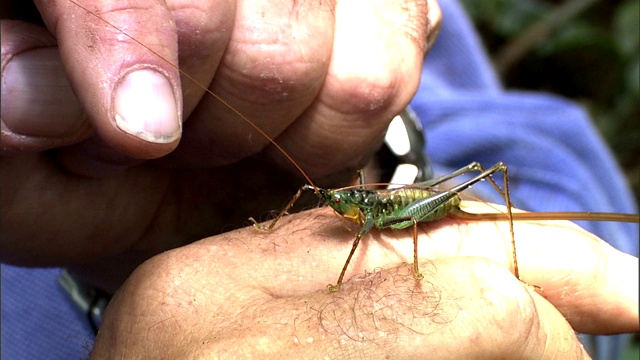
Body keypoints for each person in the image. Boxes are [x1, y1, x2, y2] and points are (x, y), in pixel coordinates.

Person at [1, 0, 637, 359]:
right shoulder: (333, 205)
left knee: (484, 180)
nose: (335, 208)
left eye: (341, 200)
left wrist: (376, 167)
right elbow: (320, 198)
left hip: (421, 205)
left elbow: (548, 149)